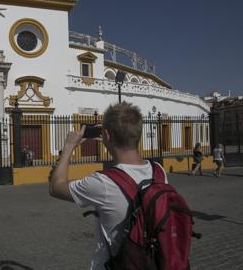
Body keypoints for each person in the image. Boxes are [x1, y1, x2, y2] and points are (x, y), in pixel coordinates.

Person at [49, 102, 168, 270]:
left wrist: (69, 146)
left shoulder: (103, 182)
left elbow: (55, 186)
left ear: (106, 135)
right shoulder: (158, 172)